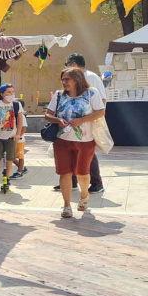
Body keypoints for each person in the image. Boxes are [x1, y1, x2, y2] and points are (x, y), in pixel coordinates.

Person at [45, 68, 106, 218]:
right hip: (61, 140)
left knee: (82, 173)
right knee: (64, 173)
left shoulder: (92, 93)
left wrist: (81, 120)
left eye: (67, 79)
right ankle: (66, 206)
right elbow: (48, 114)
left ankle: (84, 195)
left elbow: (100, 111)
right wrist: (57, 120)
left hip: (84, 141)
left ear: (77, 80)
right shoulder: (59, 95)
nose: (64, 82)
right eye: (63, 79)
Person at [54, 54, 107, 193]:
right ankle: (70, 181)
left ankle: (96, 182)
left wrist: (92, 118)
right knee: (72, 153)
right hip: (69, 128)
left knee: (88, 155)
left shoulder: (91, 78)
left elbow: (102, 101)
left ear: (75, 64)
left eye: (68, 64)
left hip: (86, 125)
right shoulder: (70, 80)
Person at [0, 84, 25, 187]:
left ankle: (7, 178)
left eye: (12, 92)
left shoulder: (16, 105)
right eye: (8, 92)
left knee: (10, 157)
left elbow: (20, 120)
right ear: (2, 94)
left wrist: (18, 134)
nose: (11, 94)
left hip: (11, 136)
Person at [10, 98, 29, 180]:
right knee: (10, 156)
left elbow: (24, 128)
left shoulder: (21, 116)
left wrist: (19, 135)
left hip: (19, 140)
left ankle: (19, 172)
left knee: (20, 156)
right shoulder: (12, 115)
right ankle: (22, 168)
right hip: (12, 139)